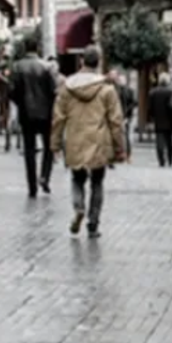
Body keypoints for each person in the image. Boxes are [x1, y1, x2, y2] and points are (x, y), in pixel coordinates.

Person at [51, 48, 126, 238]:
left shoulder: (67, 88)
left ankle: (79, 208)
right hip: (99, 141)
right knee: (97, 182)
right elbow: (116, 121)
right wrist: (120, 148)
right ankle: (93, 224)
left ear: (81, 61)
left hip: (75, 139)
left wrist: (55, 144)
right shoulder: (107, 89)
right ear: (98, 62)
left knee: (77, 179)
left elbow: (58, 118)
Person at [11, 39, 59, 198]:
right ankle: (45, 176)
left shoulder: (17, 67)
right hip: (46, 114)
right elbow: (54, 91)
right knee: (48, 147)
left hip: (26, 114)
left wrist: (21, 103)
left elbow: (12, 91)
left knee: (29, 150)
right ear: (38, 48)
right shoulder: (47, 67)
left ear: (25, 48)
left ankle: (32, 186)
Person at [148, 72, 172, 167]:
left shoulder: (153, 92)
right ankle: (170, 159)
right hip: (170, 120)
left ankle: (161, 160)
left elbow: (150, 108)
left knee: (159, 141)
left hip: (158, 120)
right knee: (169, 141)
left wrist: (151, 119)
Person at [108, 69, 138, 157]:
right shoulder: (115, 89)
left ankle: (126, 152)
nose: (120, 82)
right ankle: (122, 152)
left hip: (124, 115)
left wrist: (127, 115)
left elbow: (131, 103)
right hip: (120, 114)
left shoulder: (126, 90)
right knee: (121, 134)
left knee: (125, 134)